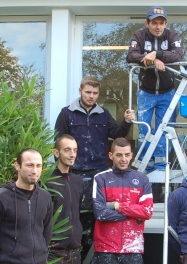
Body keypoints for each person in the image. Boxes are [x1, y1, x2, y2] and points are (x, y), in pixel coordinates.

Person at [54, 76, 135, 261]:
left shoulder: (104, 114)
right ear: (80, 90)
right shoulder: (66, 114)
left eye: (95, 93)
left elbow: (116, 135)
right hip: (74, 174)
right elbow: (59, 143)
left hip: (99, 173)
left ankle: (93, 256)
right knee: (74, 215)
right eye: (88, 92)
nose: (91, 96)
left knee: (96, 216)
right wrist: (62, 172)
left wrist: (127, 122)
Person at [126, 5, 184, 171]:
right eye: (154, 23)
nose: (158, 26)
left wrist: (157, 54)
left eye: (161, 23)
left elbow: (178, 54)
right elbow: (131, 55)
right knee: (144, 128)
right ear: (147, 23)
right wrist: (150, 59)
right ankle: (146, 164)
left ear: (166, 24)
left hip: (167, 91)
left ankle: (161, 164)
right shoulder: (139, 35)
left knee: (164, 129)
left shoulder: (172, 35)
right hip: (146, 92)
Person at [0, 149, 53, 264]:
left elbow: (46, 233)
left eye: (39, 166)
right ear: (17, 166)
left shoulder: (45, 197)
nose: (35, 171)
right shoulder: (0, 198)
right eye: (30, 165)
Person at [92, 137, 153, 264]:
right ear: (111, 155)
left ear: (131, 155)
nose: (123, 159)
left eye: (126, 155)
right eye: (119, 155)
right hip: (106, 249)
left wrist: (118, 206)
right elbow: (100, 213)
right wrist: (134, 214)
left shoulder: (142, 179)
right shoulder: (100, 178)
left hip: (133, 248)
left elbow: (147, 212)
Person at [47, 135, 83, 264]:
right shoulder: (46, 180)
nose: (72, 154)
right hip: (53, 252)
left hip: (75, 251)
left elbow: (77, 212)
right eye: (67, 150)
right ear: (56, 152)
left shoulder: (78, 181)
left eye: (75, 150)